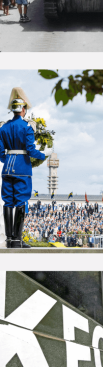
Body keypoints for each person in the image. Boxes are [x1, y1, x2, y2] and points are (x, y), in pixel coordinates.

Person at [1, 88, 46, 248]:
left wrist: (9, 160)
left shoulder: (3, 127)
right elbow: (31, 150)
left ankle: (8, 239)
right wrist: (43, 156)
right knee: (20, 202)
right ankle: (17, 240)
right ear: (23, 110)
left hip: (7, 168)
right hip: (22, 169)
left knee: (8, 202)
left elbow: (0, 152)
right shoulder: (27, 127)